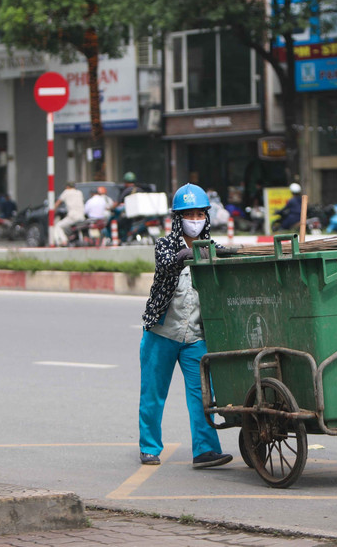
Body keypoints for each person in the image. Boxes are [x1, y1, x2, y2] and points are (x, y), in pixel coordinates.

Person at [138, 183, 232, 469]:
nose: (194, 220)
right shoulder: (165, 245)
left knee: (203, 395)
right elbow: (167, 263)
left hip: (195, 336)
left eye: (199, 214)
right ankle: (149, 447)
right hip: (162, 333)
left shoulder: (212, 248)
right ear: (178, 218)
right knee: (153, 393)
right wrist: (185, 256)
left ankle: (205, 450)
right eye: (188, 214)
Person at [53, 181, 84, 245]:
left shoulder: (66, 192)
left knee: (58, 226)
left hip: (73, 216)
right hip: (81, 216)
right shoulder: (79, 192)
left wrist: (52, 210)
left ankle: (64, 241)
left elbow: (58, 202)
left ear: (67, 187)